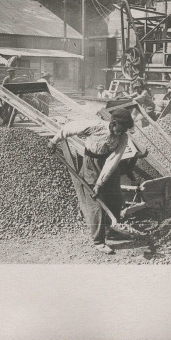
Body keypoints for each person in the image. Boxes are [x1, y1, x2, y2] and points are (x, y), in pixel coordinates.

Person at [48, 107, 147, 254]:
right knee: (96, 203)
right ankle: (99, 241)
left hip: (109, 166)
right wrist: (54, 141)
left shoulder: (123, 137)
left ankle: (110, 230)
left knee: (116, 198)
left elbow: (113, 160)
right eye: (119, 129)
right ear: (113, 123)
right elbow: (69, 128)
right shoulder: (96, 126)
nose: (121, 133)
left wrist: (101, 183)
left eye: (124, 130)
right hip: (91, 165)